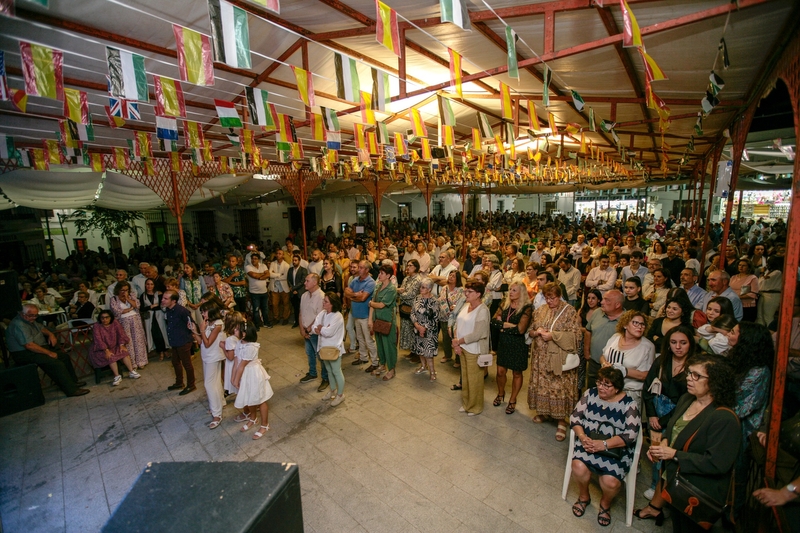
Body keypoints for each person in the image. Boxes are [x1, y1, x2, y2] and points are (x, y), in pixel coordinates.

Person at [648, 353, 740, 533]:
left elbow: (716, 464)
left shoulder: (723, 418)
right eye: (689, 373)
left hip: (696, 491)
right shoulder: (687, 399)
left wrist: (674, 454)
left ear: (715, 381)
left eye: (696, 375)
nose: (689, 378)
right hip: (676, 483)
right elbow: (674, 430)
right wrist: (662, 446)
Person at [569, 366, 642, 527]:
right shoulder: (590, 394)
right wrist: (582, 437)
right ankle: (584, 497)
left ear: (617, 388)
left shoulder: (629, 405)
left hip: (615, 450)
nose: (600, 387)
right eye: (599, 382)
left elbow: (630, 435)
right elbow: (575, 417)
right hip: (588, 442)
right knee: (578, 466)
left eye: (606, 385)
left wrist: (603, 445)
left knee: (611, 481)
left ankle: (605, 504)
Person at [637, 325, 692, 518]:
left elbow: (688, 400)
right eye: (674, 342)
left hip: (679, 414)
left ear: (690, 344)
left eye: (683, 343)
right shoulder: (661, 361)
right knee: (656, 451)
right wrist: (652, 415)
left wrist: (665, 420)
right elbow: (648, 389)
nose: (678, 347)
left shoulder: (694, 366)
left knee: (672, 454)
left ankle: (671, 491)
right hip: (657, 410)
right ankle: (655, 485)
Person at [528, 282, 582, 440]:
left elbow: (575, 336)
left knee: (559, 387)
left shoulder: (569, 311)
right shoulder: (540, 310)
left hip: (559, 358)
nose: (549, 301)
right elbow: (530, 330)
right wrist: (536, 332)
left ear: (559, 296)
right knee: (543, 386)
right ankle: (544, 412)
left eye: (552, 298)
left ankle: (561, 421)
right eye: (546, 298)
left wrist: (553, 336)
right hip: (540, 358)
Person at [5, 304, 89, 397]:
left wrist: (50, 334)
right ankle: (71, 390)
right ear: (22, 314)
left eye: (35, 315)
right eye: (31, 315)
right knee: (55, 363)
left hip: (35, 348)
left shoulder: (29, 320)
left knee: (64, 357)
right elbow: (29, 345)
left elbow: (41, 328)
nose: (34, 317)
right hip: (23, 353)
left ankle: (72, 382)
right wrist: (49, 353)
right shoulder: (19, 325)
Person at [600, 310, 655, 410]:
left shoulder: (647, 347)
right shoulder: (615, 338)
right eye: (635, 323)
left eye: (642, 324)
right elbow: (603, 356)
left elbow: (647, 375)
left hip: (630, 393)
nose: (639, 326)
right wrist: (604, 363)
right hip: (608, 389)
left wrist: (624, 371)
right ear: (625, 325)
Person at [492, 282, 532, 415]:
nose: (511, 292)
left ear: (522, 292)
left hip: (518, 345)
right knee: (500, 371)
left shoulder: (527, 307)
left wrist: (503, 326)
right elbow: (493, 321)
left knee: (517, 373)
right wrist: (508, 325)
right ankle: (500, 393)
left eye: (514, 290)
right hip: (504, 343)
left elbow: (521, 330)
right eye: (510, 289)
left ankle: (513, 400)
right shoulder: (505, 303)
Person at [453, 279, 491, 416]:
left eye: (470, 291)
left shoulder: (483, 310)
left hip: (474, 350)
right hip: (462, 347)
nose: (466, 293)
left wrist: (458, 342)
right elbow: (457, 324)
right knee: (466, 378)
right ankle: (466, 403)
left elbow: (477, 334)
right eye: (465, 290)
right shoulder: (466, 306)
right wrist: (456, 341)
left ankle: (475, 406)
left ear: (478, 294)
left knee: (474, 379)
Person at [232, 322, 273, 440]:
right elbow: (236, 361)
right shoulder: (239, 343)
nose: (234, 330)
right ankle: (252, 418)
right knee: (249, 397)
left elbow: (242, 365)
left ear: (244, 334)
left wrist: (236, 379)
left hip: (253, 374)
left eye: (237, 329)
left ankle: (265, 425)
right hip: (245, 374)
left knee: (260, 399)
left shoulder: (251, 347)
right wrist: (233, 376)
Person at [192, 302, 226, 429]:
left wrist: (201, 329)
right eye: (202, 311)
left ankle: (217, 414)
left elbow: (208, 343)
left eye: (204, 311)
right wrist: (195, 331)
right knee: (215, 381)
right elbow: (201, 342)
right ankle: (220, 402)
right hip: (207, 356)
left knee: (208, 384)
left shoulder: (218, 324)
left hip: (214, 356)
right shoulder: (209, 323)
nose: (202, 314)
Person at [313, 292, 346, 406]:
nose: (323, 303)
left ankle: (340, 395)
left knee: (337, 371)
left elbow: (329, 332)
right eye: (324, 300)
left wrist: (321, 329)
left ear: (332, 304)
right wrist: (321, 329)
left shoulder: (337, 316)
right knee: (329, 371)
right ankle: (332, 391)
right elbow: (314, 327)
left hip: (334, 348)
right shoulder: (322, 314)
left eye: (326, 301)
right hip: (323, 348)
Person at [345, 260, 379, 371]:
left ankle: (375, 362)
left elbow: (363, 298)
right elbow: (346, 292)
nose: (358, 269)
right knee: (360, 338)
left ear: (367, 270)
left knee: (369, 340)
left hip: (365, 316)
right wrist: (355, 294)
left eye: (361, 267)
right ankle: (363, 357)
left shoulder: (370, 282)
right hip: (356, 314)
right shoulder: (355, 280)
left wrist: (352, 296)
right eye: (358, 267)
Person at [162, 290, 196, 395]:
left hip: (183, 341)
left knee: (187, 364)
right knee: (175, 362)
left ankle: (191, 385)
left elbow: (192, 324)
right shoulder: (168, 310)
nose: (162, 300)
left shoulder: (182, 311)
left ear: (174, 301)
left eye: (166, 298)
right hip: (175, 341)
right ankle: (179, 382)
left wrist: (192, 335)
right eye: (163, 298)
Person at [298, 273, 328, 392]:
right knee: (309, 353)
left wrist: (308, 329)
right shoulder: (304, 295)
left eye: (307, 281)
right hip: (306, 330)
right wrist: (302, 329)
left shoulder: (321, 296)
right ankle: (312, 373)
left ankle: (326, 378)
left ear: (315, 282)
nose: (305, 283)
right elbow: (301, 313)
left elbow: (319, 316)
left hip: (315, 332)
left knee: (320, 356)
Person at [109, 281, 148, 370]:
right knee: (128, 342)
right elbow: (117, 311)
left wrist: (128, 298)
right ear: (118, 290)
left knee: (138, 340)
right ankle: (132, 363)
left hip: (135, 320)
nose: (124, 292)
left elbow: (136, 305)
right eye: (122, 290)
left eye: (126, 290)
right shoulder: (114, 299)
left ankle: (141, 361)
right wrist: (130, 308)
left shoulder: (132, 296)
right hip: (123, 322)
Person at [369, 264, 398, 380]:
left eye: (382, 273)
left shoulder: (391, 289)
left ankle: (391, 369)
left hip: (387, 321)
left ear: (388, 275)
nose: (379, 275)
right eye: (379, 273)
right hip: (377, 320)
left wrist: (371, 304)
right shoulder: (377, 287)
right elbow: (372, 302)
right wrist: (370, 319)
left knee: (389, 345)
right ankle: (382, 364)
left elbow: (381, 305)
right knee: (380, 344)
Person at [411, 278, 440, 380]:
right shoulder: (417, 298)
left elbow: (435, 318)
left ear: (429, 289)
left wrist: (424, 328)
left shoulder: (434, 301)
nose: (420, 289)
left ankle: (432, 371)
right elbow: (412, 313)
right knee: (420, 349)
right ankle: (423, 366)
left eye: (423, 287)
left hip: (429, 331)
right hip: (417, 328)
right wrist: (417, 325)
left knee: (428, 353)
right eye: (420, 287)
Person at [438, 270, 465, 366]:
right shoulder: (444, 288)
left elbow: (462, 303)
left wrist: (455, 307)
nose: (450, 277)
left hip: (454, 318)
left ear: (457, 279)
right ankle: (447, 355)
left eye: (453, 276)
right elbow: (440, 299)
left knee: (455, 338)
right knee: (445, 337)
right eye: (450, 275)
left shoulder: (461, 290)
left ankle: (458, 359)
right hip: (443, 317)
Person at [398, 259, 423, 363]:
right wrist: (401, 291)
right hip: (405, 308)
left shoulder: (418, 279)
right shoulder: (406, 278)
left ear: (416, 268)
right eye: (407, 265)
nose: (408, 267)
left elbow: (410, 294)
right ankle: (412, 351)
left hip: (414, 308)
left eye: (410, 265)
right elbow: (402, 289)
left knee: (414, 331)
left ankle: (417, 354)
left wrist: (399, 292)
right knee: (407, 331)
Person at [139, 279, 169, 361]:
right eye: (148, 284)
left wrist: (156, 306)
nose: (149, 286)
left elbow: (163, 304)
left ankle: (165, 350)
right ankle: (160, 352)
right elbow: (141, 308)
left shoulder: (159, 294)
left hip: (159, 315)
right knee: (154, 334)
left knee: (162, 333)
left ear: (154, 285)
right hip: (150, 317)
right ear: (145, 285)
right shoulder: (143, 295)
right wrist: (150, 307)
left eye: (151, 284)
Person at [244, 254, 272, 330]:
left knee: (265, 309)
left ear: (259, 260)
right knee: (256, 310)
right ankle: (257, 326)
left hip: (264, 292)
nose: (254, 260)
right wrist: (263, 274)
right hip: (254, 292)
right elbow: (253, 275)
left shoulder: (263, 266)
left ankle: (266, 323)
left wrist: (259, 276)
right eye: (252, 258)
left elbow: (268, 274)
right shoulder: (248, 267)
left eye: (255, 259)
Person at [756, 255, 782, 326]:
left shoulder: (777, 272)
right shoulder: (769, 271)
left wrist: (762, 275)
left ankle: (770, 334)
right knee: (760, 316)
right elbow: (760, 282)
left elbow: (762, 282)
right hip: (763, 293)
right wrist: (763, 276)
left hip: (772, 295)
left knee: (768, 316)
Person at [269, 249, 291, 325]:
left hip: (284, 287)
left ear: (283, 255)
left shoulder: (286, 265)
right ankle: (276, 317)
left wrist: (275, 275)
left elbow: (285, 276)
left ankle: (285, 318)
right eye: (277, 253)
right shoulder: (272, 263)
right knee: (274, 304)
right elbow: (270, 274)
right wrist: (279, 274)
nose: (278, 255)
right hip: (275, 286)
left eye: (280, 253)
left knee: (286, 303)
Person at [287, 253, 307, 328]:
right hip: (293, 292)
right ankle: (297, 322)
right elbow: (288, 280)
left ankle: (303, 322)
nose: (294, 262)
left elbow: (302, 282)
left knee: (302, 308)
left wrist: (295, 288)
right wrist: (292, 289)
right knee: (295, 308)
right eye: (293, 260)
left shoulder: (303, 270)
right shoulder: (290, 270)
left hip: (300, 292)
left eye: (296, 260)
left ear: (299, 261)